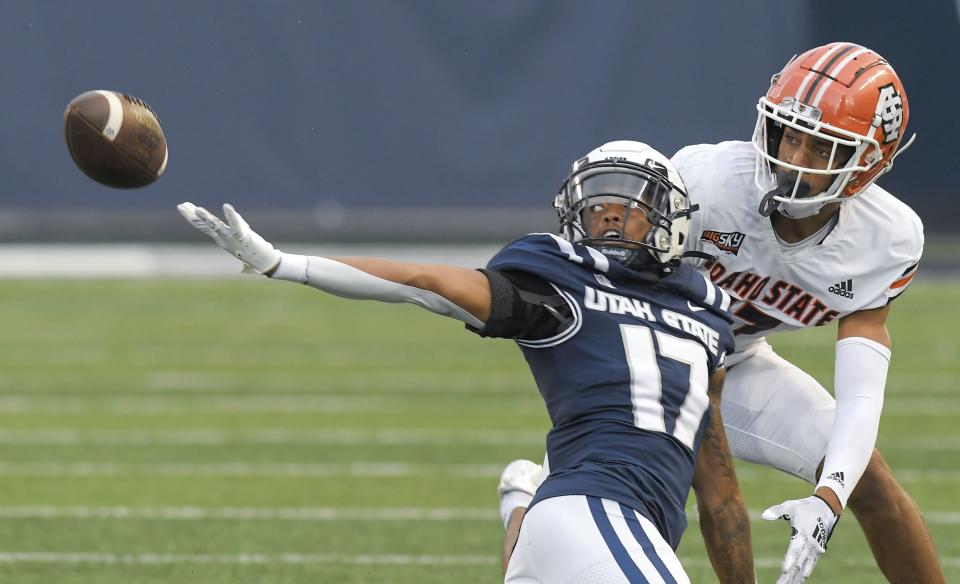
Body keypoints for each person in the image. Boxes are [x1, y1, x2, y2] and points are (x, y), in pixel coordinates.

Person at [178, 140, 756, 583]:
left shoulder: (706, 317)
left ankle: (520, 509)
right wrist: (286, 263)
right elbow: (424, 283)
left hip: (600, 534)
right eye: (597, 203)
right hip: (595, 509)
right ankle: (528, 506)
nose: (608, 216)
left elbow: (721, 493)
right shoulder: (564, 287)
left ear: (669, 220)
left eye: (627, 207)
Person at [499, 43, 945, 583]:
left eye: (820, 148)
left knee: (866, 480)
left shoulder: (888, 239)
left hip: (739, 362)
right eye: (788, 134)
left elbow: (861, 391)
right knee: (559, 535)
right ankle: (521, 503)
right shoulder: (708, 182)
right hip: (652, 360)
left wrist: (828, 497)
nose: (792, 159)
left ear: (867, 163)